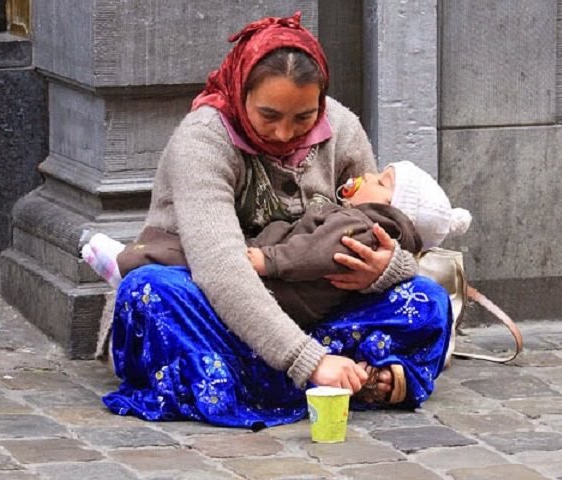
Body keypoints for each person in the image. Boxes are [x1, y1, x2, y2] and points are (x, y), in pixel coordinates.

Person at [99, 12, 453, 429]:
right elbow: (222, 270)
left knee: (429, 298)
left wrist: (386, 269)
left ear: (320, 103)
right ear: (240, 92)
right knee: (148, 292)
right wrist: (309, 360)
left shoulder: (341, 128)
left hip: (310, 307)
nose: (285, 133)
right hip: (214, 302)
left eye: (303, 118)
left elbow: (378, 223)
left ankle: (245, 380)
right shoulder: (202, 140)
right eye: (269, 116)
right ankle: (340, 379)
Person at [85, 161, 471, 330]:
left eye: (381, 179)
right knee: (186, 252)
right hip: (280, 271)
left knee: (186, 260)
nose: (366, 174)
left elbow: (321, 251)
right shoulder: (362, 216)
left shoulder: (363, 223)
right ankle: (131, 260)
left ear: (392, 204)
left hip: (285, 286)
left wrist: (267, 260)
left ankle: (123, 262)